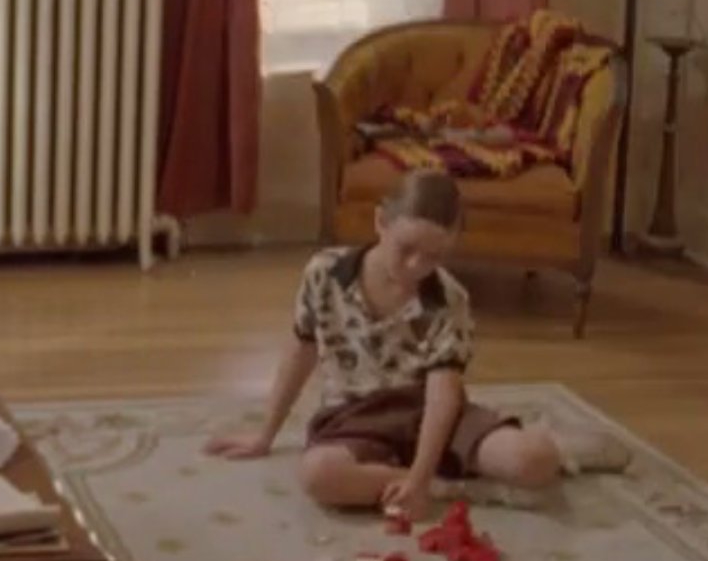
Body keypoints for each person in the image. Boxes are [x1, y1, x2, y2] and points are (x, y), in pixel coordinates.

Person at [204, 170, 627, 517]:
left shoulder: (450, 298)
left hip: (430, 414)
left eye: (435, 256)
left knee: (532, 462)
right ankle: (453, 488)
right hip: (354, 418)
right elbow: (301, 350)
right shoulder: (325, 273)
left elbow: (443, 398)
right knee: (318, 477)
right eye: (406, 249)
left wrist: (419, 477)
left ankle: (556, 445)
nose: (416, 266)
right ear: (380, 223)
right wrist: (265, 434)